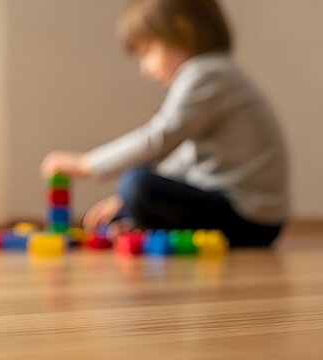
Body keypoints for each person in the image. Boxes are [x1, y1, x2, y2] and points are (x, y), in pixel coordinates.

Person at [40, 0, 288, 247]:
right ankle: (136, 223)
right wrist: (122, 201)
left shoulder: (207, 74)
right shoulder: (213, 75)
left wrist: (87, 164)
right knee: (132, 192)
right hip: (237, 211)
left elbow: (159, 137)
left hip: (249, 218)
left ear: (182, 31)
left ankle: (142, 222)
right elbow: (183, 160)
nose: (144, 68)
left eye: (147, 51)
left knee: (137, 183)